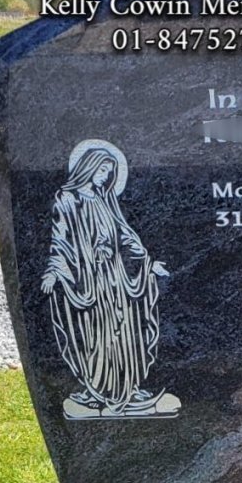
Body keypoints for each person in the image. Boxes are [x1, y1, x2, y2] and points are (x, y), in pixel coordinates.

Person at [41, 142, 170, 416]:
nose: (104, 177)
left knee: (124, 332)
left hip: (116, 278)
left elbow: (124, 235)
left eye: (109, 172)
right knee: (98, 335)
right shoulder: (67, 198)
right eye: (101, 170)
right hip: (89, 279)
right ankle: (97, 389)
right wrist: (54, 270)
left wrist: (147, 263)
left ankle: (128, 388)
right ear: (88, 167)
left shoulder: (104, 199)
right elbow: (60, 240)